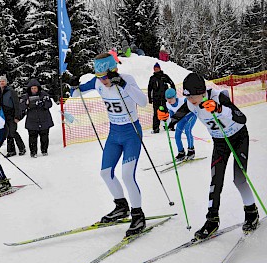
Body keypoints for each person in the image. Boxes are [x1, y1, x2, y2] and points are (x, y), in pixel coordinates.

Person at [157, 72, 259, 240]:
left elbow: (242, 118)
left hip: (238, 138)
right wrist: (165, 119)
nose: (191, 101)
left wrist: (219, 109)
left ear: (202, 91)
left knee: (239, 179)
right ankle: (212, 220)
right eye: (188, 98)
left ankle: (251, 212)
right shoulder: (190, 104)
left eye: (193, 97)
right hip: (220, 143)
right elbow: (173, 121)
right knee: (215, 180)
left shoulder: (219, 97)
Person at [70, 53, 148, 237]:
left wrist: (122, 84)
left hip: (131, 134)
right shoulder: (98, 83)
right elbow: (76, 93)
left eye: (105, 77)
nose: (103, 81)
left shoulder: (127, 80)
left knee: (128, 175)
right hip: (114, 134)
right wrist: (74, 85)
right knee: (105, 173)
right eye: (99, 77)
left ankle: (138, 215)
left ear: (114, 71)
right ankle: (121, 207)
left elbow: (143, 102)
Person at [0, 75, 26, 157]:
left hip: (11, 114)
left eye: (3, 81)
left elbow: (16, 104)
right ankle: (11, 151)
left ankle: (22, 148)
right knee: (7, 133)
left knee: (13, 132)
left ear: (6, 82)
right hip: (3, 115)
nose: (2, 82)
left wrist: (17, 116)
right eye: (0, 81)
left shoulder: (11, 91)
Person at [20, 79, 54, 158]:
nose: (34, 90)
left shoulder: (44, 94)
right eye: (32, 88)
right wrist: (26, 103)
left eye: (35, 88)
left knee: (44, 137)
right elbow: (21, 106)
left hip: (44, 119)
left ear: (38, 88)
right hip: (32, 121)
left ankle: (44, 150)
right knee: (32, 138)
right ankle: (33, 152)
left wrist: (43, 103)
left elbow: (49, 104)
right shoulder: (26, 96)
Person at [164, 88, 197, 161]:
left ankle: (191, 150)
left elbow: (194, 105)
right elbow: (172, 115)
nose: (169, 100)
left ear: (175, 96)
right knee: (177, 135)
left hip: (191, 115)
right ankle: (181, 152)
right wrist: (170, 124)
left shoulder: (183, 101)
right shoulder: (168, 104)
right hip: (182, 119)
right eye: (167, 98)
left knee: (187, 130)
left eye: (171, 98)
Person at [148, 62, 175, 134]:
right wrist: (150, 98)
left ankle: (168, 126)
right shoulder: (152, 78)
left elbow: (172, 84)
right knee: (156, 113)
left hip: (164, 98)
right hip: (156, 98)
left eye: (157, 68)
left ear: (160, 68)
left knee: (166, 112)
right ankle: (156, 128)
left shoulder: (165, 76)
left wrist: (173, 94)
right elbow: (149, 88)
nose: (156, 70)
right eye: (155, 69)